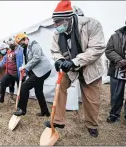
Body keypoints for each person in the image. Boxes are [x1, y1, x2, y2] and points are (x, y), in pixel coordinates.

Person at [44, 0, 106, 137]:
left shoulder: (92, 24)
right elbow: (55, 50)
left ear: (68, 18)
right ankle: (58, 120)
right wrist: (59, 60)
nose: (56, 26)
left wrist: (75, 61)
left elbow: (97, 48)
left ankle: (92, 125)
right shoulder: (57, 34)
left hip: (90, 67)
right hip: (69, 68)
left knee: (91, 99)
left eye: (58, 22)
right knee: (60, 88)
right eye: (54, 22)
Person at [105, 12, 126, 130]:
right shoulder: (115, 35)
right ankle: (114, 114)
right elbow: (108, 50)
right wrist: (120, 60)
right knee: (116, 94)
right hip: (117, 69)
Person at [12, 33, 52, 117]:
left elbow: (37, 57)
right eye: (19, 44)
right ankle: (45, 111)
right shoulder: (25, 49)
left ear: (26, 39)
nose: (21, 44)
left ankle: (22, 109)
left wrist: (25, 67)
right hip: (37, 71)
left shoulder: (34, 44)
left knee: (24, 86)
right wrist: (25, 70)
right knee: (38, 91)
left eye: (22, 42)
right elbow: (27, 62)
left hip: (43, 70)